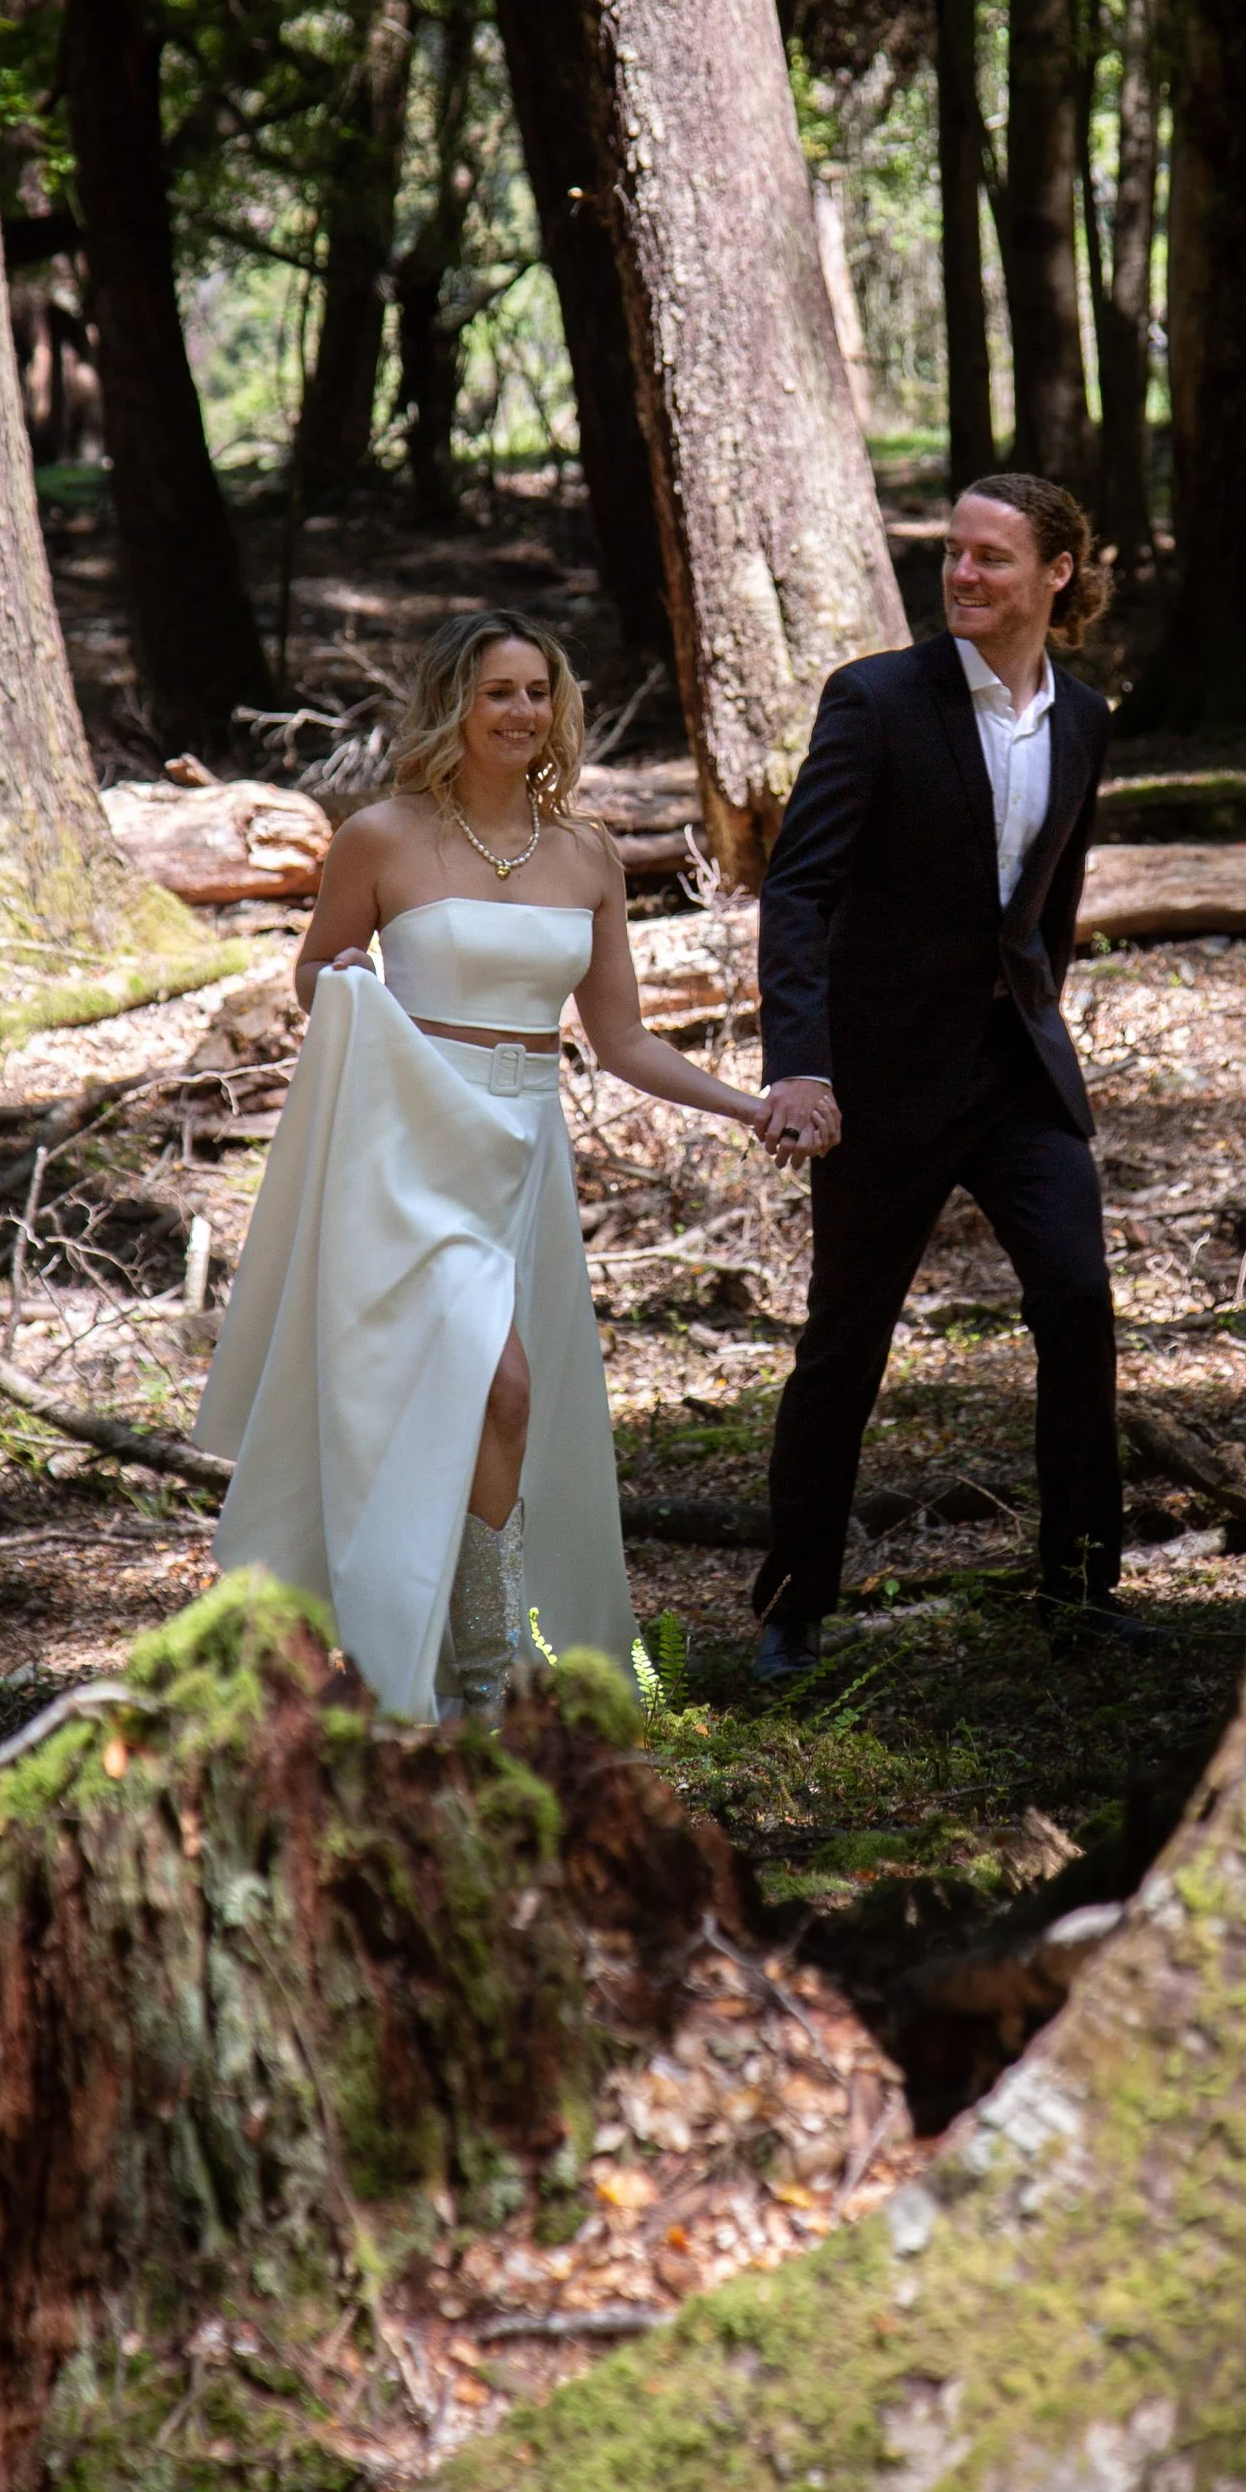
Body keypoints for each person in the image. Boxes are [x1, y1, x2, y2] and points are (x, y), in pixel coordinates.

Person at [198, 610, 770, 1719]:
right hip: (410, 1138)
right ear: (453, 704)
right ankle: (486, 1668)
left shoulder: (587, 853)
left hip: (527, 1143)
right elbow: (318, 972)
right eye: (497, 691)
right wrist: (356, 993)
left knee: (500, 1404)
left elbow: (624, 1041)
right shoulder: (382, 836)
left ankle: (479, 1656)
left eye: (537, 691)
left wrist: (750, 1104)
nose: (521, 712)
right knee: (490, 1385)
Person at [748, 472, 1146, 1680]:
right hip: (879, 1080)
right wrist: (802, 1067)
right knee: (845, 1339)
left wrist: (1039, 1020)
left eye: (991, 558)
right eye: (952, 555)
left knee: (1077, 1303)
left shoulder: (1082, 719)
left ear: (1056, 575)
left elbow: (1050, 905)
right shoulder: (875, 700)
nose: (962, 576)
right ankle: (788, 1607)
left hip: (1018, 1075)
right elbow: (800, 891)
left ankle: (1079, 1587)